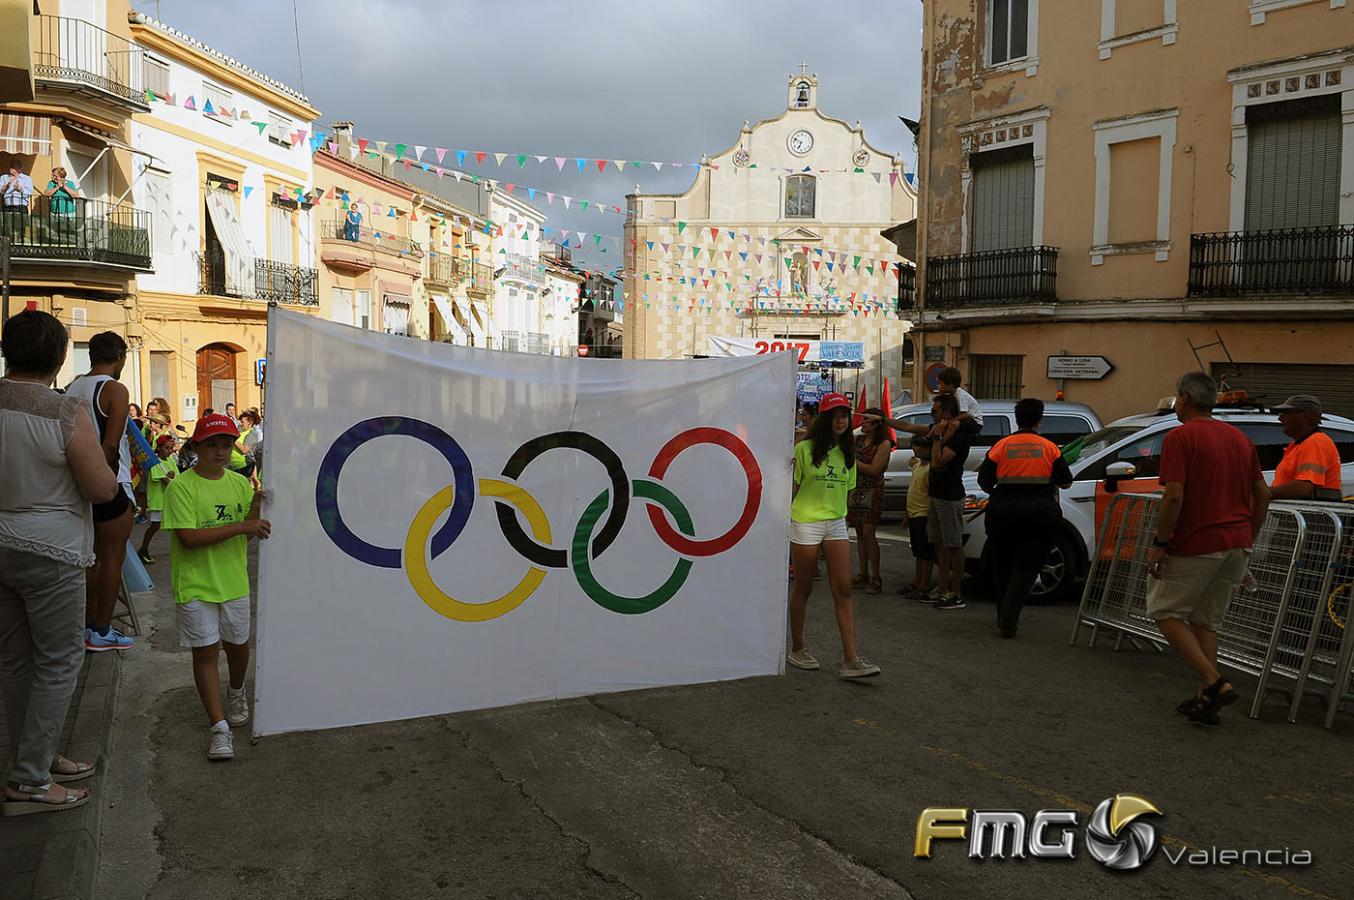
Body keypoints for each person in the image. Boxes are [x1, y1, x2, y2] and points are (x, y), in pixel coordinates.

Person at [1, 310, 118, 816]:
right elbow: (99, 488)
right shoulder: (63, 412)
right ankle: (28, 780)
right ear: (58, 357)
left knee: (16, 661)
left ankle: (36, 757)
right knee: (58, 661)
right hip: (49, 550)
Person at [1147, 372, 1270, 726]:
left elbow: (1173, 495)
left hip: (1197, 541)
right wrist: (1249, 533)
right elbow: (1262, 494)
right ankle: (1206, 696)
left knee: (1165, 611)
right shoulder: (1240, 439)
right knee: (1205, 621)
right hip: (1236, 543)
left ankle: (1215, 683)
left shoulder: (1180, 437)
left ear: (1183, 398)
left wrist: (1160, 543)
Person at [162, 414, 270, 760]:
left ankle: (236, 690)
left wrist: (256, 512)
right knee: (206, 652)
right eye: (212, 444)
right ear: (196, 446)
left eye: (226, 445)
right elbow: (189, 538)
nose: (220, 452)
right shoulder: (181, 486)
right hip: (194, 585)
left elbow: (251, 528)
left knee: (238, 647)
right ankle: (219, 728)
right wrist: (242, 526)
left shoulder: (240, 485)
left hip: (233, 582)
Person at [786, 393, 880, 679]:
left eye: (844, 415)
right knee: (804, 586)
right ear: (826, 418)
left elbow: (848, 493)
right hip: (805, 523)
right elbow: (791, 489)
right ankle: (797, 649)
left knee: (844, 589)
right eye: (835, 415)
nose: (841, 421)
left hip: (836, 523)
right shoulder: (804, 450)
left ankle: (851, 659)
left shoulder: (848, 454)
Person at [976, 399, 1074, 638]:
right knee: (1028, 566)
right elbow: (1066, 480)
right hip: (1040, 514)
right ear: (1039, 420)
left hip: (1003, 512)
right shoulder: (1050, 448)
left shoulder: (1002, 446)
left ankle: (1004, 617)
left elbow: (984, 481)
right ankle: (1008, 619)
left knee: (1003, 566)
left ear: (1017, 418)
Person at [65, 333, 136, 651]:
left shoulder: (72, 387)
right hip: (110, 483)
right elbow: (110, 444)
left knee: (90, 560)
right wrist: (100, 480)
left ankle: (86, 625)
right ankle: (101, 629)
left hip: (75, 486)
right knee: (112, 559)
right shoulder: (115, 389)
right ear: (119, 356)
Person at [926, 393, 972, 610]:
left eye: (935, 410)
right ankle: (943, 588)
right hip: (936, 494)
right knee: (940, 545)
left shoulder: (959, 435)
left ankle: (957, 593)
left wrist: (938, 437)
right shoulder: (944, 430)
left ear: (945, 412)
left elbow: (937, 461)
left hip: (950, 495)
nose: (931, 414)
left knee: (953, 544)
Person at [846, 407, 893, 594]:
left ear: (876, 424)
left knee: (868, 534)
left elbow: (875, 469)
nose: (862, 423)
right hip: (856, 490)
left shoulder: (884, 444)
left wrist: (852, 462)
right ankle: (863, 573)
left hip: (872, 491)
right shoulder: (858, 440)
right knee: (859, 534)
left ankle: (876, 576)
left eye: (866, 420)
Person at [1269, 395, 1342, 500]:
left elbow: (1303, 488)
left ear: (1304, 416)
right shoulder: (1300, 444)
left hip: (1310, 515)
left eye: (1285, 413)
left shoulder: (1315, 442)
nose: (1280, 418)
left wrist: (1263, 493)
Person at [898, 436, 937, 602]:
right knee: (918, 552)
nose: (916, 451)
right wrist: (907, 514)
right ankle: (917, 582)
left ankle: (923, 585)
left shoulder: (930, 470)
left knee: (925, 553)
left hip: (923, 514)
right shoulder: (917, 466)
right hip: (913, 513)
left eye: (919, 448)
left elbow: (930, 495)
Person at [137, 433, 178, 564]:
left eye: (171, 448)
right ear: (159, 448)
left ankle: (181, 549)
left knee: (179, 524)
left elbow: (177, 477)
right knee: (155, 526)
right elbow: (166, 481)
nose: (169, 451)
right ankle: (143, 549)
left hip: (170, 501)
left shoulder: (171, 461)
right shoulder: (155, 463)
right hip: (159, 501)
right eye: (166, 448)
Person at [42, 167, 79, 243]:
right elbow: (46, 193)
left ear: (61, 175)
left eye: (55, 176)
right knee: (53, 232)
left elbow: (76, 195)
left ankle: (70, 246)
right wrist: (57, 187)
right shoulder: (51, 183)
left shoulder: (70, 183)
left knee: (69, 232)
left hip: (68, 213)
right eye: (53, 175)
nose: (53, 177)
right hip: (54, 213)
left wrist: (64, 187)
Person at [1, 159, 33, 237]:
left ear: (20, 170)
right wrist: (5, 186)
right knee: (7, 228)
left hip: (20, 205)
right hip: (8, 205)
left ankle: (20, 245)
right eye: (11, 172)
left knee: (20, 228)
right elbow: (1, 191)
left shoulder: (27, 178)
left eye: (15, 173)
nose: (13, 174)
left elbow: (29, 192)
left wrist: (20, 189)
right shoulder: (4, 177)